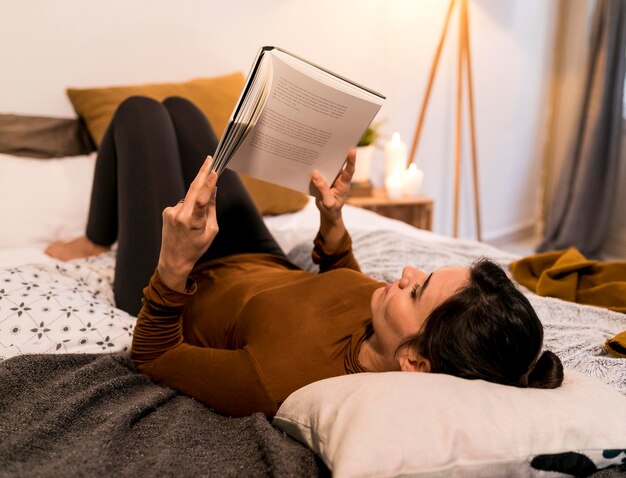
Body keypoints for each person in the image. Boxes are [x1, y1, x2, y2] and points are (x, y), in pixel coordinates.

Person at [46, 96, 564, 417]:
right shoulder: (387, 324)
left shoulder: (282, 381)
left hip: (183, 277)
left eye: (416, 290)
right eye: (422, 274)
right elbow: (342, 282)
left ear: (415, 362)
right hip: (258, 255)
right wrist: (333, 220)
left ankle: (96, 239)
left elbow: (154, 357)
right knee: (182, 110)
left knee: (140, 112)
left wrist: (175, 262)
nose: (405, 273)